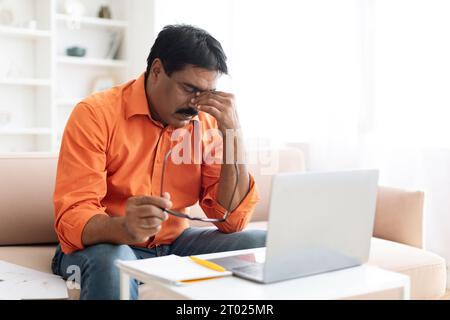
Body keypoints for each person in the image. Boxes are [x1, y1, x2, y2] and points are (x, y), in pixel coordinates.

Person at [51, 24, 266, 300]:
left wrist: (234, 134)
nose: (196, 104)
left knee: (261, 244)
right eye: (189, 88)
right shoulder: (95, 115)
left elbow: (231, 222)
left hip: (174, 243)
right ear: (156, 71)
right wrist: (124, 228)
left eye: (207, 93)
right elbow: (72, 216)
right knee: (114, 259)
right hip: (105, 245)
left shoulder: (207, 122)